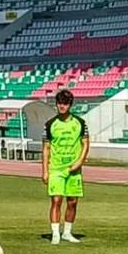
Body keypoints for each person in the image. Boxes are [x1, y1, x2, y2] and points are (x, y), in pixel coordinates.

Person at [43, 89, 89, 245]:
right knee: (56, 200)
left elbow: (86, 144)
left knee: (72, 201)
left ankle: (67, 232)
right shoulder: (50, 124)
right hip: (56, 168)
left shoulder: (80, 123)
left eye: (65, 103)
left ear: (70, 105)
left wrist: (79, 162)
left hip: (74, 169)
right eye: (59, 103)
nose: (62, 106)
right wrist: (44, 170)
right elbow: (46, 148)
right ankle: (55, 233)